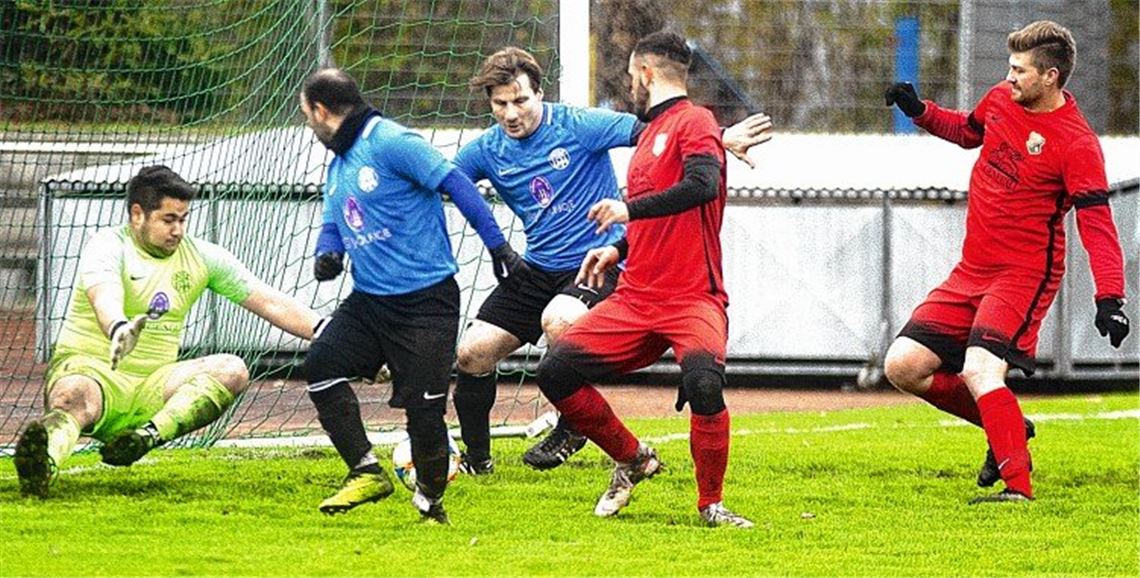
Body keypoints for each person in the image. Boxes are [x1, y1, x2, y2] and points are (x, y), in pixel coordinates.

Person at [451, 47, 772, 475]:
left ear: (540, 94)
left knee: (559, 320)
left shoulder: (579, 125)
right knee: (472, 353)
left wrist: (719, 135)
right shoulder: (486, 150)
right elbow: (443, 181)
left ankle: (572, 425)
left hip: (598, 266)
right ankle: (477, 460)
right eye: (500, 104)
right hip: (537, 268)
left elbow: (657, 132)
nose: (511, 113)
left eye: (521, 100)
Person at [883, 20, 1129, 503]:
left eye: (1020, 69)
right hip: (971, 269)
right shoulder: (1000, 99)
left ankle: (1018, 488)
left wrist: (1110, 296)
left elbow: (1097, 223)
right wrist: (921, 112)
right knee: (903, 365)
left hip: (1023, 275)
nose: (1009, 76)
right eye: (1009, 67)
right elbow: (968, 131)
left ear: (1051, 76)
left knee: (979, 369)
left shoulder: (1076, 143)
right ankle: (1010, 426)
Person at [534, 31, 754, 528]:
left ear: (646, 74)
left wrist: (625, 208)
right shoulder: (649, 138)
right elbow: (660, 217)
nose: (630, 84)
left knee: (703, 383)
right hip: (636, 298)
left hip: (692, 298)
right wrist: (618, 247)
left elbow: (702, 185)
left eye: (632, 75)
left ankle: (710, 506)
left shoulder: (695, 120)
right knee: (555, 372)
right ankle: (633, 458)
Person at [298, 68, 526, 524]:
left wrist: (498, 245)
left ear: (322, 111)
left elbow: (457, 184)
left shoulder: (392, 142)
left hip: (426, 305)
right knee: (321, 365)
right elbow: (332, 218)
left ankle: (430, 504)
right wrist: (329, 253)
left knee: (424, 413)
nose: (309, 125)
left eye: (308, 116)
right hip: (369, 303)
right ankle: (366, 469)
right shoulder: (341, 161)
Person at [13, 165, 326, 498]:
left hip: (153, 386)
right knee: (72, 395)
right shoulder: (107, 245)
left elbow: (270, 302)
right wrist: (118, 326)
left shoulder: (202, 256)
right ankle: (41, 465)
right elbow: (103, 293)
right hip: (92, 374)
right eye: (168, 219)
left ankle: (142, 438)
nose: (178, 230)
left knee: (232, 369)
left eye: (183, 219)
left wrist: (334, 337)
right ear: (138, 214)